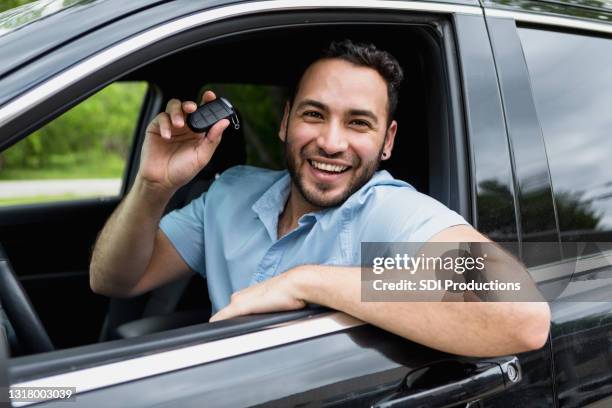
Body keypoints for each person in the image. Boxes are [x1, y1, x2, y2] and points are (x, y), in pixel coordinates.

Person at [90, 40, 550, 357]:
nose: (331, 142)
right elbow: (115, 279)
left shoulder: (388, 211)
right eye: (315, 114)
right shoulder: (230, 192)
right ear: (285, 120)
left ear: (387, 141)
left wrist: (308, 281)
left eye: (358, 123)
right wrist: (153, 187)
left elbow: (522, 315)